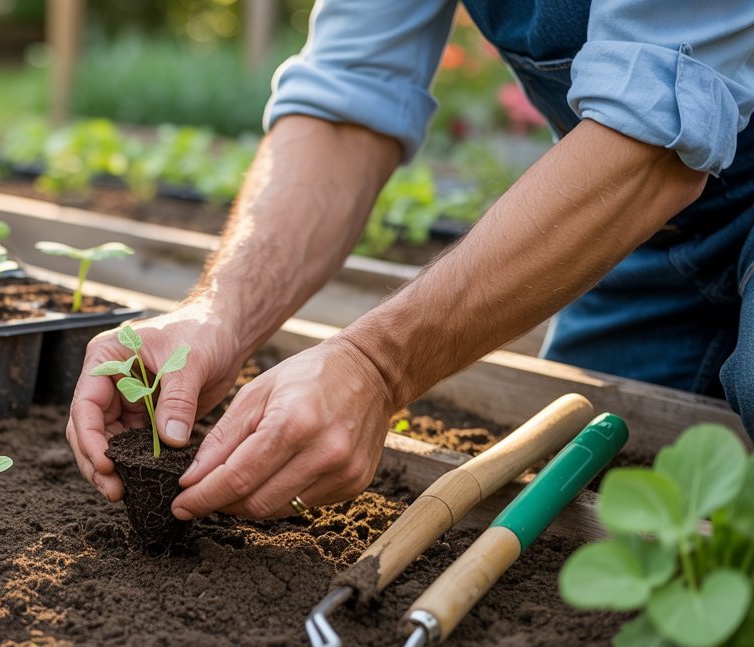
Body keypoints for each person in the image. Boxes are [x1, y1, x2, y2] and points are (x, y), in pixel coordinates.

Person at [67, 0, 754, 520]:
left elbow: (654, 137)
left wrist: (377, 364)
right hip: (633, 226)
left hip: (638, 179)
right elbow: (348, 97)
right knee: (585, 488)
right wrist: (219, 312)